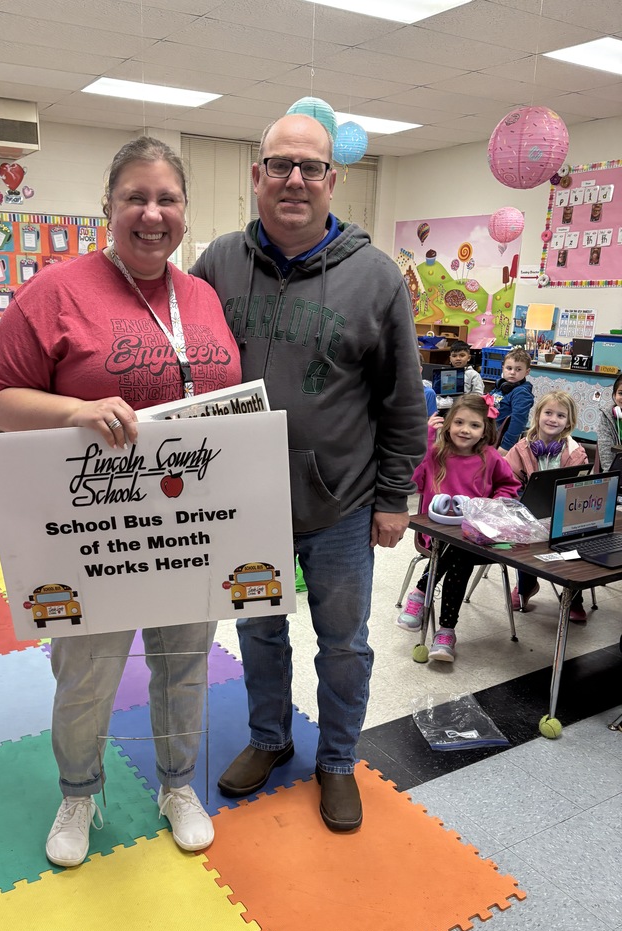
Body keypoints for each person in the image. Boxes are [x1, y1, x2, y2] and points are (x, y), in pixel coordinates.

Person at [0, 137, 242, 866]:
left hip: (189, 522)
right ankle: (79, 791)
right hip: (95, 528)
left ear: (185, 211)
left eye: (167, 199)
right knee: (87, 669)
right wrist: (73, 411)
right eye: (136, 197)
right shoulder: (57, 291)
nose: (152, 213)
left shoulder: (203, 298)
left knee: (186, 662)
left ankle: (177, 784)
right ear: (109, 207)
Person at [190, 113, 427, 833]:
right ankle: (269, 739)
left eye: (311, 167)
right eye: (279, 165)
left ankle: (336, 760)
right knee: (260, 632)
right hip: (243, 504)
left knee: (345, 642)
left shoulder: (376, 275)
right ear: (256, 175)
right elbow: (182, 370)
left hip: (343, 504)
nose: (295, 180)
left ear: (333, 178)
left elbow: (403, 399)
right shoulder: (216, 266)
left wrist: (394, 497)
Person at [396, 394, 520, 662]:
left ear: (485, 430)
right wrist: (427, 439)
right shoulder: (436, 453)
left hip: (477, 536)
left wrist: (493, 505)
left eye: (474, 425)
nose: (465, 430)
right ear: (448, 424)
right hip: (437, 536)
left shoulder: (491, 458)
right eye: (459, 423)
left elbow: (509, 487)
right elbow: (412, 482)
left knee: (461, 551)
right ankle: (446, 632)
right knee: (456, 552)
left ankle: (421, 593)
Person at [507, 391, 589, 620]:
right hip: (529, 515)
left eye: (561, 415)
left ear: (569, 422)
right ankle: (526, 584)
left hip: (565, 513)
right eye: (549, 413)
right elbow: (507, 482)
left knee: (578, 537)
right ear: (538, 415)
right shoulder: (521, 449)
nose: (553, 419)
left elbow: (581, 486)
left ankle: (573, 596)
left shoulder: (575, 452)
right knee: (522, 534)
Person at [490, 348, 534, 453]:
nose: (512, 372)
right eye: (509, 368)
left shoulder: (521, 393)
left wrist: (506, 446)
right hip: (488, 435)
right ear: (503, 368)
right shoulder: (501, 386)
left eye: (518, 369)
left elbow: (518, 421)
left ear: (527, 372)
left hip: (500, 442)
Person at [436, 341, 484, 411]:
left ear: (469, 358)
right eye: (454, 356)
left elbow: (478, 396)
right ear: (450, 358)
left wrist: (465, 400)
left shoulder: (473, 374)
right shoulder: (446, 374)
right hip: (448, 408)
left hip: (467, 409)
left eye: (462, 355)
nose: (458, 358)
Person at [597, 373, 622, 472]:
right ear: (614, 395)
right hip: (615, 472)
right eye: (621, 393)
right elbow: (605, 452)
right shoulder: (607, 416)